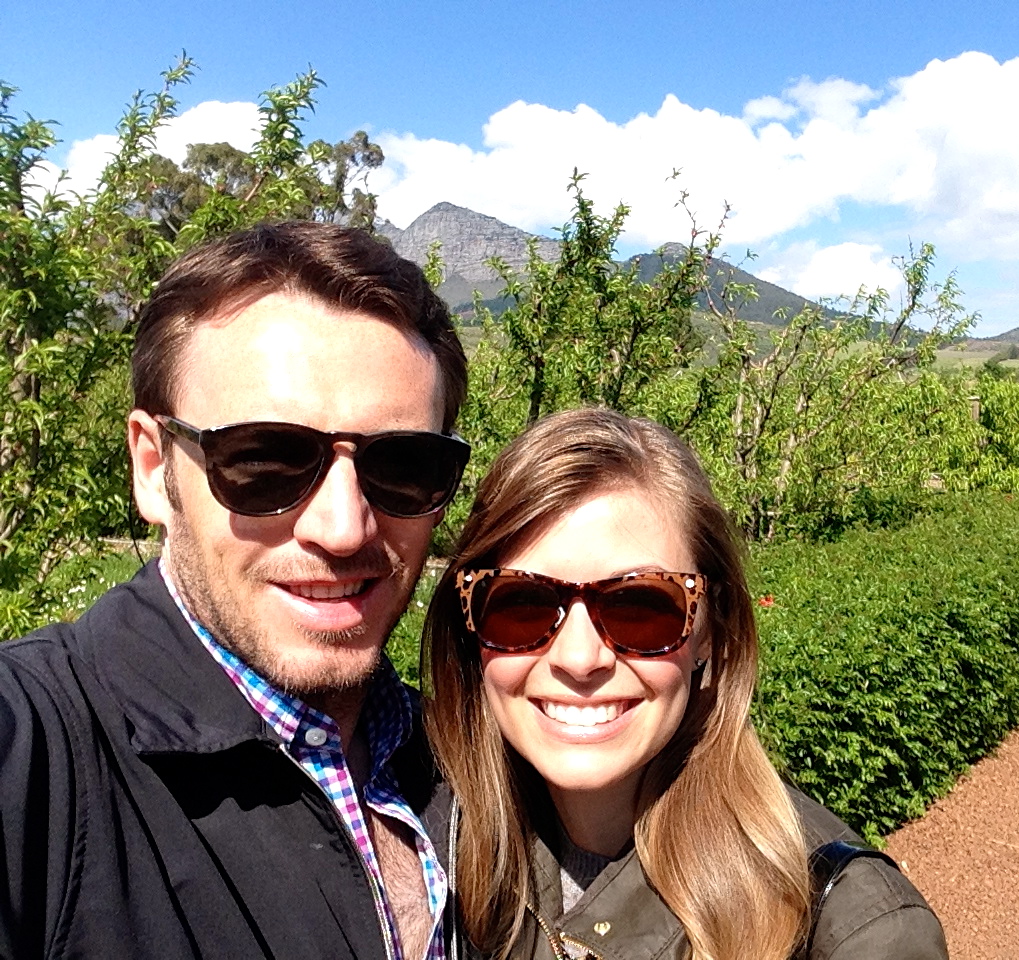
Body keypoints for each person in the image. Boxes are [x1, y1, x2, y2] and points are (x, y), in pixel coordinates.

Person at [0, 221, 469, 960]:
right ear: (153, 468)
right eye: (264, 461)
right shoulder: (36, 756)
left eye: (403, 466)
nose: (343, 528)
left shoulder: (465, 760)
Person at [423, 407, 948, 960]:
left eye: (641, 606)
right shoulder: (426, 843)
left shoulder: (852, 931)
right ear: (470, 622)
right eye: (521, 604)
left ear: (710, 630)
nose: (579, 659)